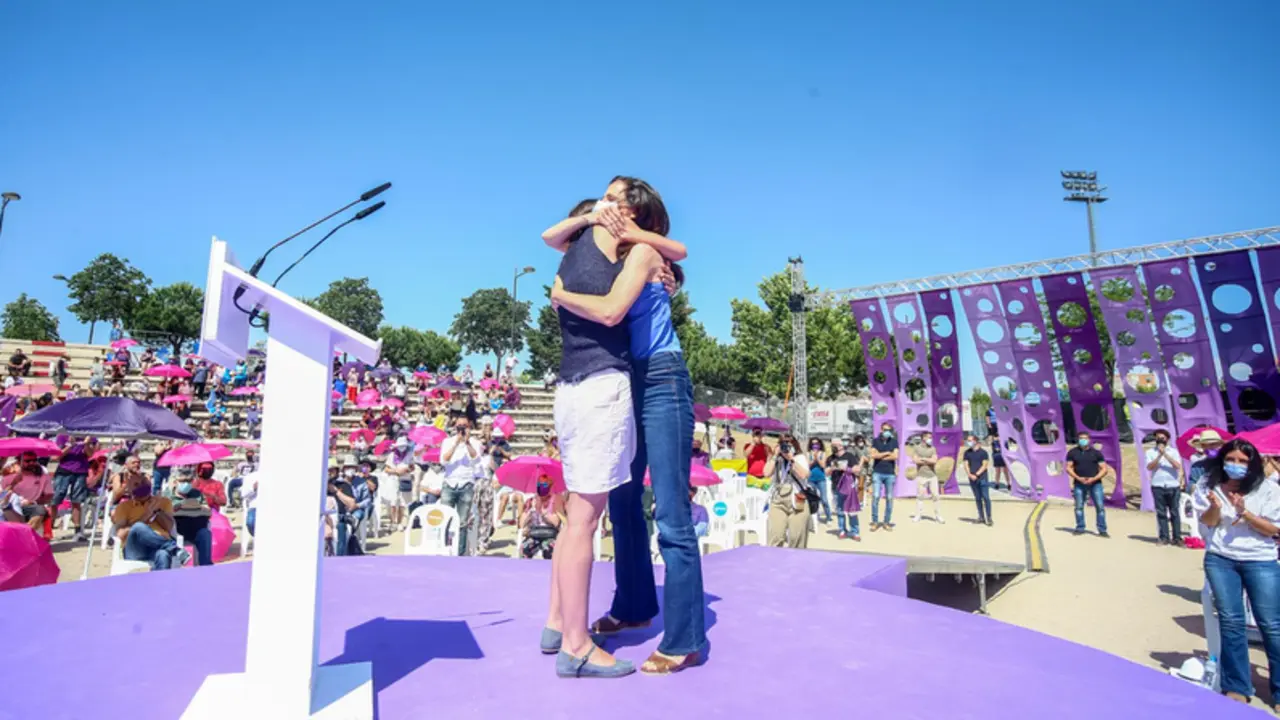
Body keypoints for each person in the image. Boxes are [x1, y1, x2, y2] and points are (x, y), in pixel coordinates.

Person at [547, 178, 705, 676]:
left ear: (638, 215)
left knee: (671, 512)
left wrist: (560, 294)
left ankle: (684, 638)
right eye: (605, 197)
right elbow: (559, 239)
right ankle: (634, 605)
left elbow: (665, 259)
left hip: (660, 374)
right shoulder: (611, 252)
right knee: (621, 498)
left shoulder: (646, 255)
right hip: (624, 376)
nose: (606, 204)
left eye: (616, 199)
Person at [1191, 438, 1280, 707]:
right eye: (1231, 459)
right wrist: (1215, 508)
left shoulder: (1268, 489)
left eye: (1243, 461)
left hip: (1260, 560)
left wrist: (1246, 513)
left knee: (1272, 625)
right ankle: (1237, 685)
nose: (1236, 465)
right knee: (1231, 622)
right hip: (1221, 559)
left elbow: (1274, 530)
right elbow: (1206, 523)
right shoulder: (1208, 484)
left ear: (1252, 464)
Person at [439, 420, 482, 555]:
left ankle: (460, 552)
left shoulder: (474, 442)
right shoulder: (447, 441)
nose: (462, 429)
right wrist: (456, 443)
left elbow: (476, 459)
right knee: (445, 518)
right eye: (460, 426)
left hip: (466, 483)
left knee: (463, 521)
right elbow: (443, 461)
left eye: (465, 426)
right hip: (450, 483)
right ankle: (444, 548)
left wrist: (467, 442)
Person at [764, 433, 812, 548]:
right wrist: (775, 456)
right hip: (778, 500)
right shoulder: (777, 459)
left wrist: (791, 460)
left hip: (797, 500)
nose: (786, 448)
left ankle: (796, 563)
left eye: (789, 444)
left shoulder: (799, 458)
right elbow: (766, 473)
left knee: (797, 538)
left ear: (795, 445)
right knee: (775, 536)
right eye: (783, 444)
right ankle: (775, 562)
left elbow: (804, 474)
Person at [1066, 430, 1109, 537]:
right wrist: (1078, 478)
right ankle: (1080, 527)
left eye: (1085, 438)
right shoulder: (1072, 453)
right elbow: (1068, 468)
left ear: (1089, 440)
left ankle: (1102, 529)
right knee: (1079, 506)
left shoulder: (1096, 453)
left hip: (1095, 483)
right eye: (1081, 438)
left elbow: (1104, 469)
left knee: (1100, 507)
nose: (1083, 440)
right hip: (1079, 483)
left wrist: (1094, 478)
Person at [1146, 430, 1183, 545]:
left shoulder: (1174, 451)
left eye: (1162, 438)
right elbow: (1149, 467)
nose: (1160, 440)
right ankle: (1164, 537)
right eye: (1158, 438)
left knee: (1175, 512)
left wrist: (1165, 455)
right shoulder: (1150, 452)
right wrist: (1159, 456)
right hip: (1158, 485)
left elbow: (1177, 466)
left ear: (1167, 439)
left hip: (1173, 485)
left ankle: (1177, 537)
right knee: (1161, 513)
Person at [520, 474, 563, 560]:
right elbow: (521, 524)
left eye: (545, 485)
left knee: (549, 548)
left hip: (550, 534)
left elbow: (556, 522)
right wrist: (530, 510)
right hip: (534, 533)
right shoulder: (531, 501)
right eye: (539, 485)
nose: (542, 487)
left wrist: (542, 512)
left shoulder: (554, 501)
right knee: (525, 548)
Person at [826, 438, 861, 540]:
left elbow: (857, 469)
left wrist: (845, 468)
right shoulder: (830, 458)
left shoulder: (850, 456)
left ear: (840, 446)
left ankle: (855, 531)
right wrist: (832, 467)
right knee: (840, 510)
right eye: (832, 445)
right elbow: (826, 472)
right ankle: (842, 530)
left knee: (852, 510)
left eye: (834, 445)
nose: (833, 447)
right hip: (836, 486)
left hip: (849, 487)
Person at [868, 422, 899, 531]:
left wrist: (880, 455)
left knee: (889, 498)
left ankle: (886, 522)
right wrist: (886, 453)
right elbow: (873, 455)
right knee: (876, 496)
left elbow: (895, 456)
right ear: (881, 430)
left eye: (889, 430)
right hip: (878, 472)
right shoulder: (876, 441)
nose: (887, 432)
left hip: (890, 473)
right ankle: (875, 522)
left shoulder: (894, 442)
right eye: (885, 429)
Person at [912, 432, 944, 524]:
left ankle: (938, 515)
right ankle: (918, 515)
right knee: (920, 496)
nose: (931, 439)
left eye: (931, 437)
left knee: (936, 496)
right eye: (929, 437)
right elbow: (916, 461)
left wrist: (924, 459)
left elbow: (934, 461)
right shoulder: (917, 448)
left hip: (932, 476)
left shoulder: (932, 448)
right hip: (921, 475)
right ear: (923, 438)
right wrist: (926, 460)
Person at [962, 434, 992, 526]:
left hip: (982, 478)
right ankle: (981, 516)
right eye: (968, 440)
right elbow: (966, 464)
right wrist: (969, 474)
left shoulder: (983, 453)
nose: (968, 442)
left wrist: (976, 474)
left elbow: (984, 465)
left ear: (975, 441)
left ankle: (989, 517)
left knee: (986, 497)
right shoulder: (967, 453)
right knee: (978, 498)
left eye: (970, 440)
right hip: (972, 478)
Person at [807, 438, 831, 523]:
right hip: (811, 479)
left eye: (817, 443)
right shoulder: (808, 453)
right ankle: (814, 517)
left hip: (821, 479)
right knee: (812, 499)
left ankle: (828, 517)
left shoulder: (823, 453)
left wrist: (817, 458)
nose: (815, 445)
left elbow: (823, 465)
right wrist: (813, 459)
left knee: (824, 499)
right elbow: (808, 465)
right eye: (813, 444)